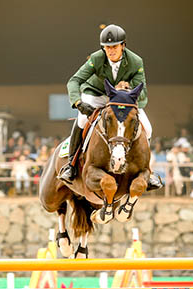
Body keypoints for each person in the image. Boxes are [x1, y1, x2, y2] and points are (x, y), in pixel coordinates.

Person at [59, 24, 159, 190]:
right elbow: (74, 81)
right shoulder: (97, 58)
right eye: (107, 47)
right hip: (97, 94)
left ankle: (147, 170)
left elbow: (143, 93)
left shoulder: (135, 61)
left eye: (114, 46)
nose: (111, 51)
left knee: (147, 128)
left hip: (124, 99)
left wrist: (128, 89)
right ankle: (71, 164)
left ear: (123, 45)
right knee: (83, 120)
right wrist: (78, 103)